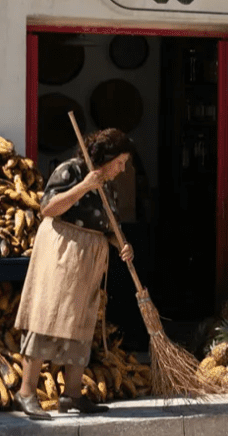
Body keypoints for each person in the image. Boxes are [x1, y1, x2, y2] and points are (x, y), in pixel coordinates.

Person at [12, 128, 136, 419]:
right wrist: (83, 186)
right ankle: (26, 392)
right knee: (47, 316)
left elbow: (111, 225)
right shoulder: (72, 171)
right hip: (62, 251)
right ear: (106, 157)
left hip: (89, 259)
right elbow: (49, 208)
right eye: (120, 162)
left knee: (81, 322)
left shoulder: (108, 184)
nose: (123, 168)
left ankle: (72, 396)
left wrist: (123, 245)